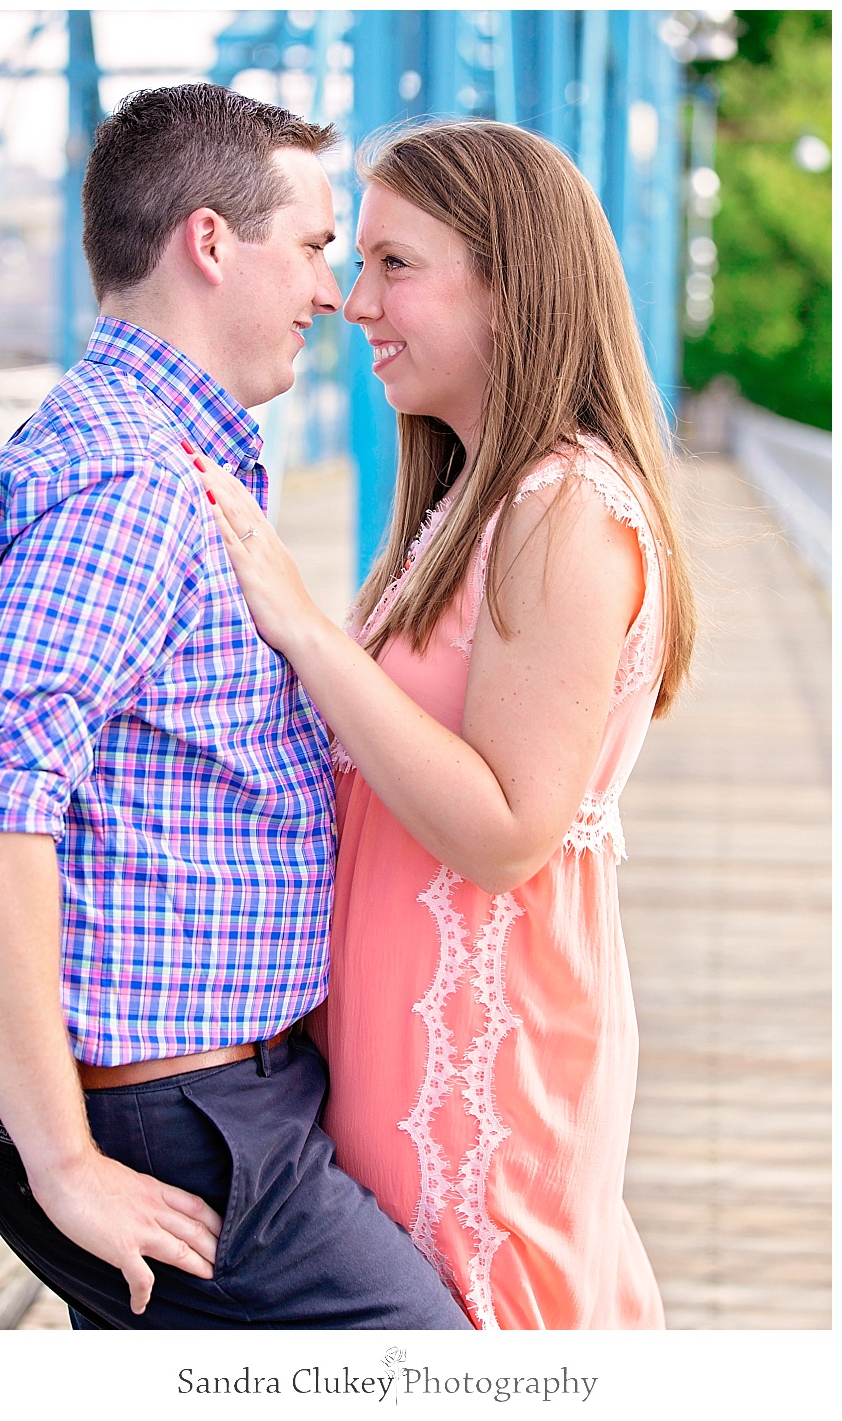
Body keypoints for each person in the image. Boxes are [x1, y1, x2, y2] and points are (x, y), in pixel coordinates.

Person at [0, 85, 472, 1331]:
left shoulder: (126, 453)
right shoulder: (136, 488)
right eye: (313, 246)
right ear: (208, 242)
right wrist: (67, 1160)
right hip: (179, 1122)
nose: (333, 292)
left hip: (205, 1103)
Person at [191, 119, 697, 1330]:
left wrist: (307, 631)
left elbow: (512, 829)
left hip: (486, 1053)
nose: (354, 302)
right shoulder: (477, 500)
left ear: (510, 281)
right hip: (402, 1038)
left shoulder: (564, 505)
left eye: (393, 264)